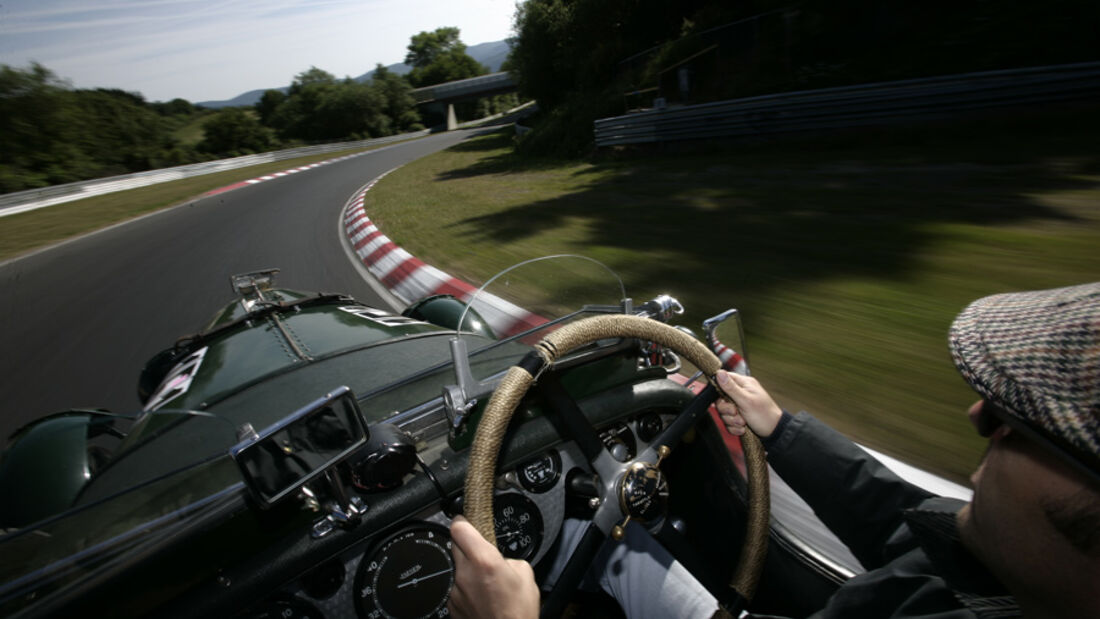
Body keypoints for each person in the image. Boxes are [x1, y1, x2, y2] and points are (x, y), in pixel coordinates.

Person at [448, 282, 1100, 619]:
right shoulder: (1008, 572)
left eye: (1017, 421)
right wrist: (781, 429)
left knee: (600, 550)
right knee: (614, 549)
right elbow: (905, 521)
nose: (976, 414)